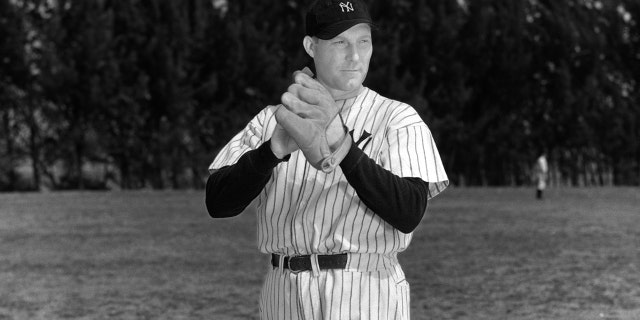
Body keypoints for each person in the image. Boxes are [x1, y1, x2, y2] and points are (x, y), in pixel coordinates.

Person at [205, 0, 448, 318]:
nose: (355, 55)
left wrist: (343, 145)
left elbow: (409, 211)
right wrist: (270, 152)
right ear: (311, 46)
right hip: (284, 292)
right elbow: (218, 202)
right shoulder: (272, 119)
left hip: (363, 290)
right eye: (340, 42)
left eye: (364, 41)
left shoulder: (397, 118)